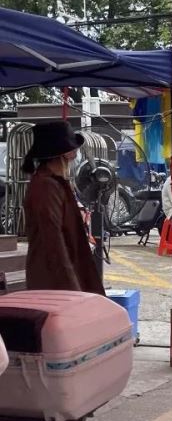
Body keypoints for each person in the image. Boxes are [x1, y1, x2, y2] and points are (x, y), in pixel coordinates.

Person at [23, 120, 104, 295]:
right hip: (53, 282)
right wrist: (72, 287)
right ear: (64, 154)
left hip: (62, 276)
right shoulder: (46, 186)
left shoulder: (55, 183)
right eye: (73, 149)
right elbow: (53, 241)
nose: (76, 154)